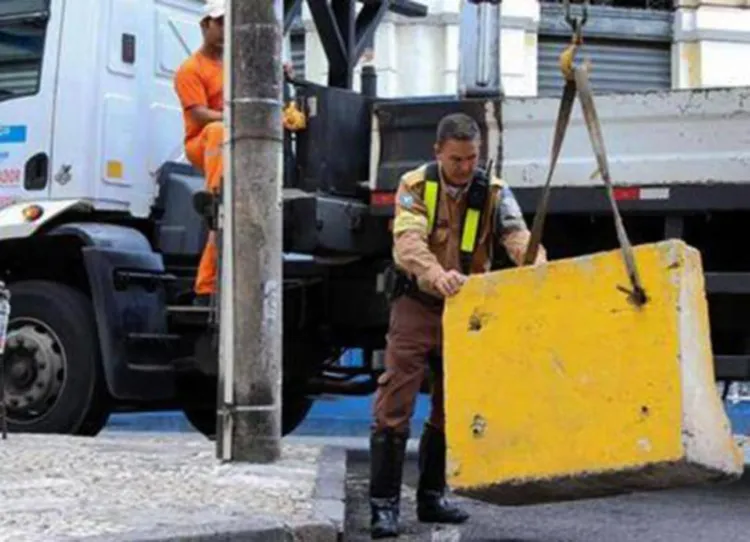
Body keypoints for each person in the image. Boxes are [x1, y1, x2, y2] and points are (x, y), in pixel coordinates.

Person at [369, 112, 547, 539]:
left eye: (472, 158)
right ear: (438, 153)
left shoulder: (494, 192)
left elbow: (516, 235)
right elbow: (408, 242)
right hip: (418, 304)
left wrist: (536, 263)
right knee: (395, 403)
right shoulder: (415, 185)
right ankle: (383, 506)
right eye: (456, 159)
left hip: (468, 309)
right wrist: (434, 274)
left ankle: (431, 498)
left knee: (451, 407)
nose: (466, 168)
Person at [174, 0, 295, 304]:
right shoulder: (191, 69)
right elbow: (200, 114)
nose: (226, 29)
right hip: (204, 141)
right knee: (218, 131)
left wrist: (276, 70)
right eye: (219, 22)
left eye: (230, 22)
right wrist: (236, 117)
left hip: (237, 136)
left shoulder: (236, 62)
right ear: (205, 25)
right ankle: (218, 195)